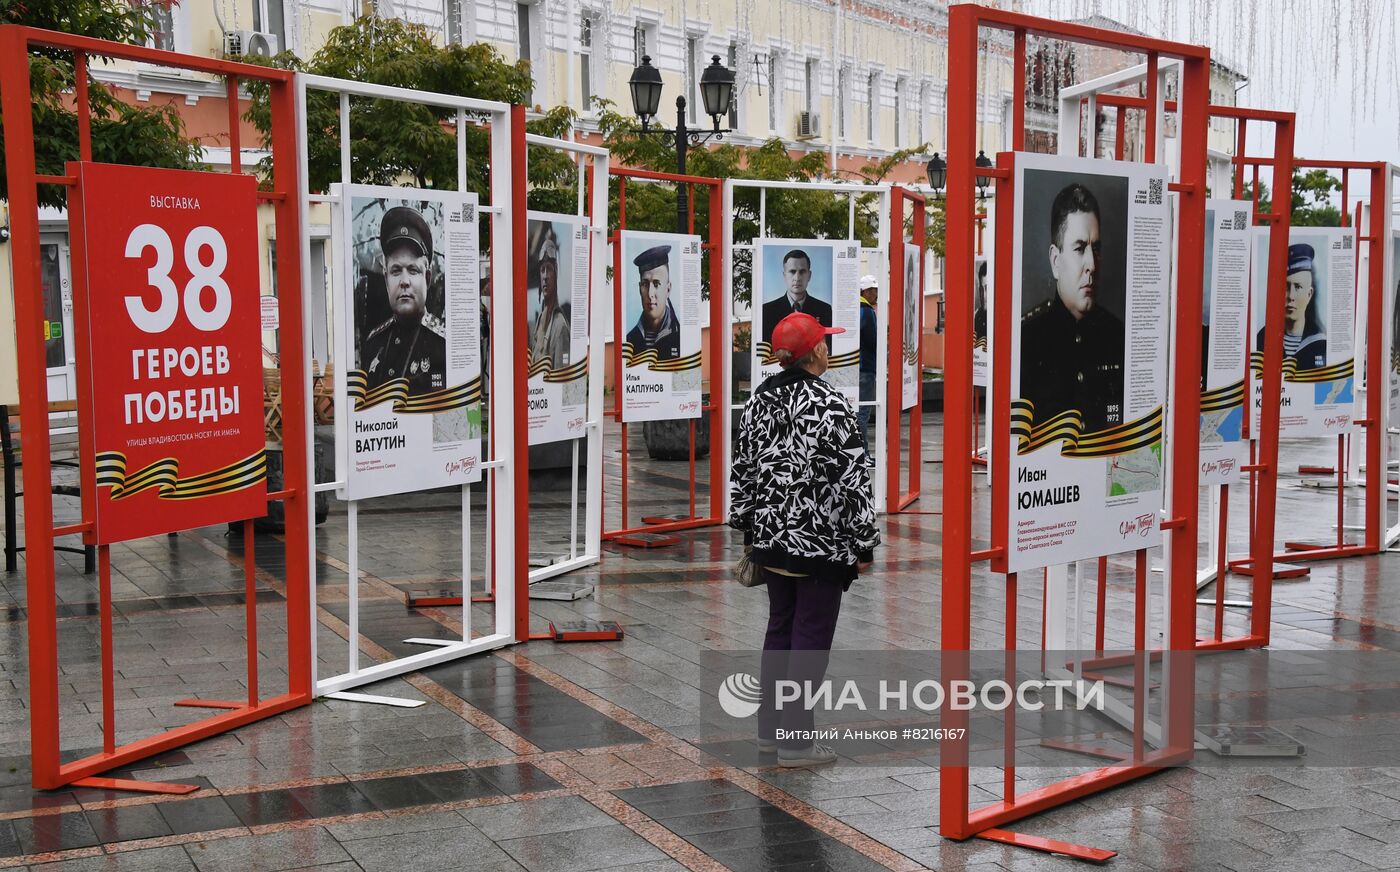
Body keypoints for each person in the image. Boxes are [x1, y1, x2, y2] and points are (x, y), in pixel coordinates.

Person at [730, 312, 879, 768]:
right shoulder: (833, 405)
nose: (828, 349)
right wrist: (864, 542)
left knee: (780, 629)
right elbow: (854, 481)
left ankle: (769, 735)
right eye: (825, 342)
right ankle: (796, 744)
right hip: (820, 546)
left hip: (772, 541)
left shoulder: (758, 401)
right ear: (815, 351)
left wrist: (748, 526)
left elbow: (743, 470)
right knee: (810, 637)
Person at [1019, 183, 1125, 433]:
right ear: (1056, 261)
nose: (1092, 264)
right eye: (1080, 249)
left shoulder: (1118, 336)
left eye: (1096, 249)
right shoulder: (1028, 341)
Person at [361, 205, 446, 396]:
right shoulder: (374, 343)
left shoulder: (443, 344)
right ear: (386, 279)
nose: (404, 282)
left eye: (413, 270)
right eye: (396, 270)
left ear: (427, 277)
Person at [1255, 243, 1327, 373]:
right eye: (1285, 287)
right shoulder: (1261, 339)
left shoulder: (1321, 344)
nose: (1291, 296)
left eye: (1298, 287)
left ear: (1309, 294)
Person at [761, 249, 834, 345]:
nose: (797, 278)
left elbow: (827, 347)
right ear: (784, 275)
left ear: (809, 275)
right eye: (792, 271)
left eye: (802, 272)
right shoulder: (767, 311)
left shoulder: (824, 309)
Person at [624, 244, 682, 359]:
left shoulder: (681, 336)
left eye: (656, 284)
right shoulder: (629, 340)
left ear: (668, 289)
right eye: (645, 284)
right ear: (639, 288)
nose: (650, 294)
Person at [530, 224, 569, 369]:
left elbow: (561, 376)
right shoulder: (540, 320)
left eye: (549, 270)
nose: (545, 276)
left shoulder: (560, 326)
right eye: (542, 270)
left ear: (556, 274)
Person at [856, 275, 878, 440]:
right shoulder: (867, 311)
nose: (876, 294)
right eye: (874, 291)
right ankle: (863, 454)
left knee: (856, 411)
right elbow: (872, 341)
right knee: (863, 412)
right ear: (867, 291)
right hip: (866, 368)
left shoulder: (854, 308)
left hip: (854, 366)